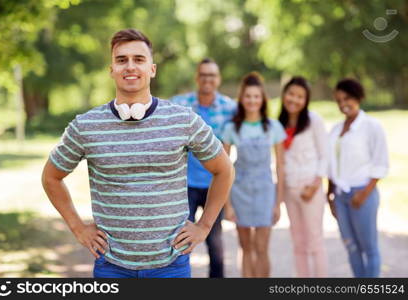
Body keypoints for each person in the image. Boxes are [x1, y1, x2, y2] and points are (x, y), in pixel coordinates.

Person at [41, 28, 234, 278]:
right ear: (111, 70)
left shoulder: (183, 120)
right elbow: (51, 177)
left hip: (171, 266)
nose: (130, 66)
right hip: (111, 266)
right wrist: (78, 228)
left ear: (152, 69)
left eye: (139, 59)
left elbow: (224, 169)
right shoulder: (85, 126)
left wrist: (204, 226)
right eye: (121, 60)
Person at [171, 58, 237, 278]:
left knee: (215, 242)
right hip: (185, 185)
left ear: (218, 79)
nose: (207, 79)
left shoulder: (230, 108)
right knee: (179, 240)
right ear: (197, 78)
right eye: (203, 75)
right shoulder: (180, 104)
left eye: (212, 75)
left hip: (214, 185)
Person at [222, 72, 286, 278]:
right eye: (248, 96)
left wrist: (278, 203)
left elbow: (281, 168)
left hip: (265, 192)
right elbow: (223, 170)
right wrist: (227, 205)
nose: (252, 100)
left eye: (256, 96)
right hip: (239, 192)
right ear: (242, 99)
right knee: (246, 247)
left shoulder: (273, 127)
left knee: (261, 247)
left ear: (262, 99)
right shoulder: (231, 128)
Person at [327, 78, 389, 278]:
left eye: (347, 98)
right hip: (340, 197)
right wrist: (330, 195)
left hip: (362, 194)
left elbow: (381, 163)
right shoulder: (336, 130)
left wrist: (364, 193)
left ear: (359, 97)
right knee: (351, 248)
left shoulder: (372, 126)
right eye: (338, 100)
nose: (343, 104)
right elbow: (331, 164)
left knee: (369, 247)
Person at [278, 76, 328, 277]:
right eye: (291, 94)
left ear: (306, 100)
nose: (294, 100)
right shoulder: (279, 123)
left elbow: (325, 156)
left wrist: (315, 185)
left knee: (314, 242)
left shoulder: (314, 120)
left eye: (300, 97)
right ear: (284, 95)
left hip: (310, 190)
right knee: (298, 242)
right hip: (291, 190)